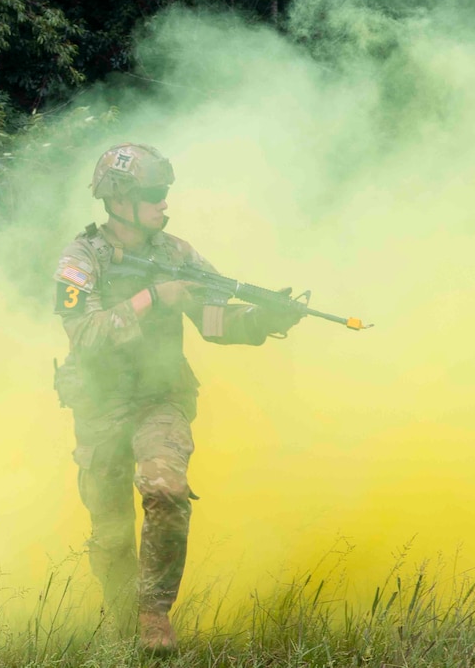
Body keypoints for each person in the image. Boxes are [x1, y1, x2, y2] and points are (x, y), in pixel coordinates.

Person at [53, 143, 301, 652]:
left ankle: (153, 613)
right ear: (120, 199)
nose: (165, 205)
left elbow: (213, 320)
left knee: (165, 488)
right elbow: (87, 335)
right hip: (99, 406)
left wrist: (262, 321)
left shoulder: (177, 254)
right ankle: (125, 624)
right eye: (155, 195)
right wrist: (151, 298)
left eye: (165, 193)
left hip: (159, 399)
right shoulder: (82, 259)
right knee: (111, 535)